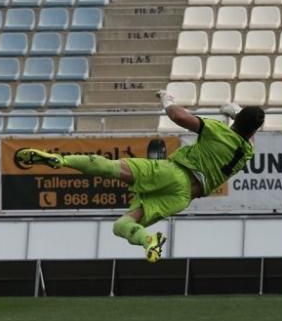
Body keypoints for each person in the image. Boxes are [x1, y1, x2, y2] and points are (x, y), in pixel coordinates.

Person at [15, 90, 265, 262]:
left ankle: (61, 160)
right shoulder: (247, 152)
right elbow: (248, 133)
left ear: (236, 121)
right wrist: (237, 113)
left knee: (109, 167)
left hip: (173, 174)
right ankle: (148, 241)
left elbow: (179, 117)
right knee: (122, 226)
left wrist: (167, 100)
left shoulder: (219, 131)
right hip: (183, 197)